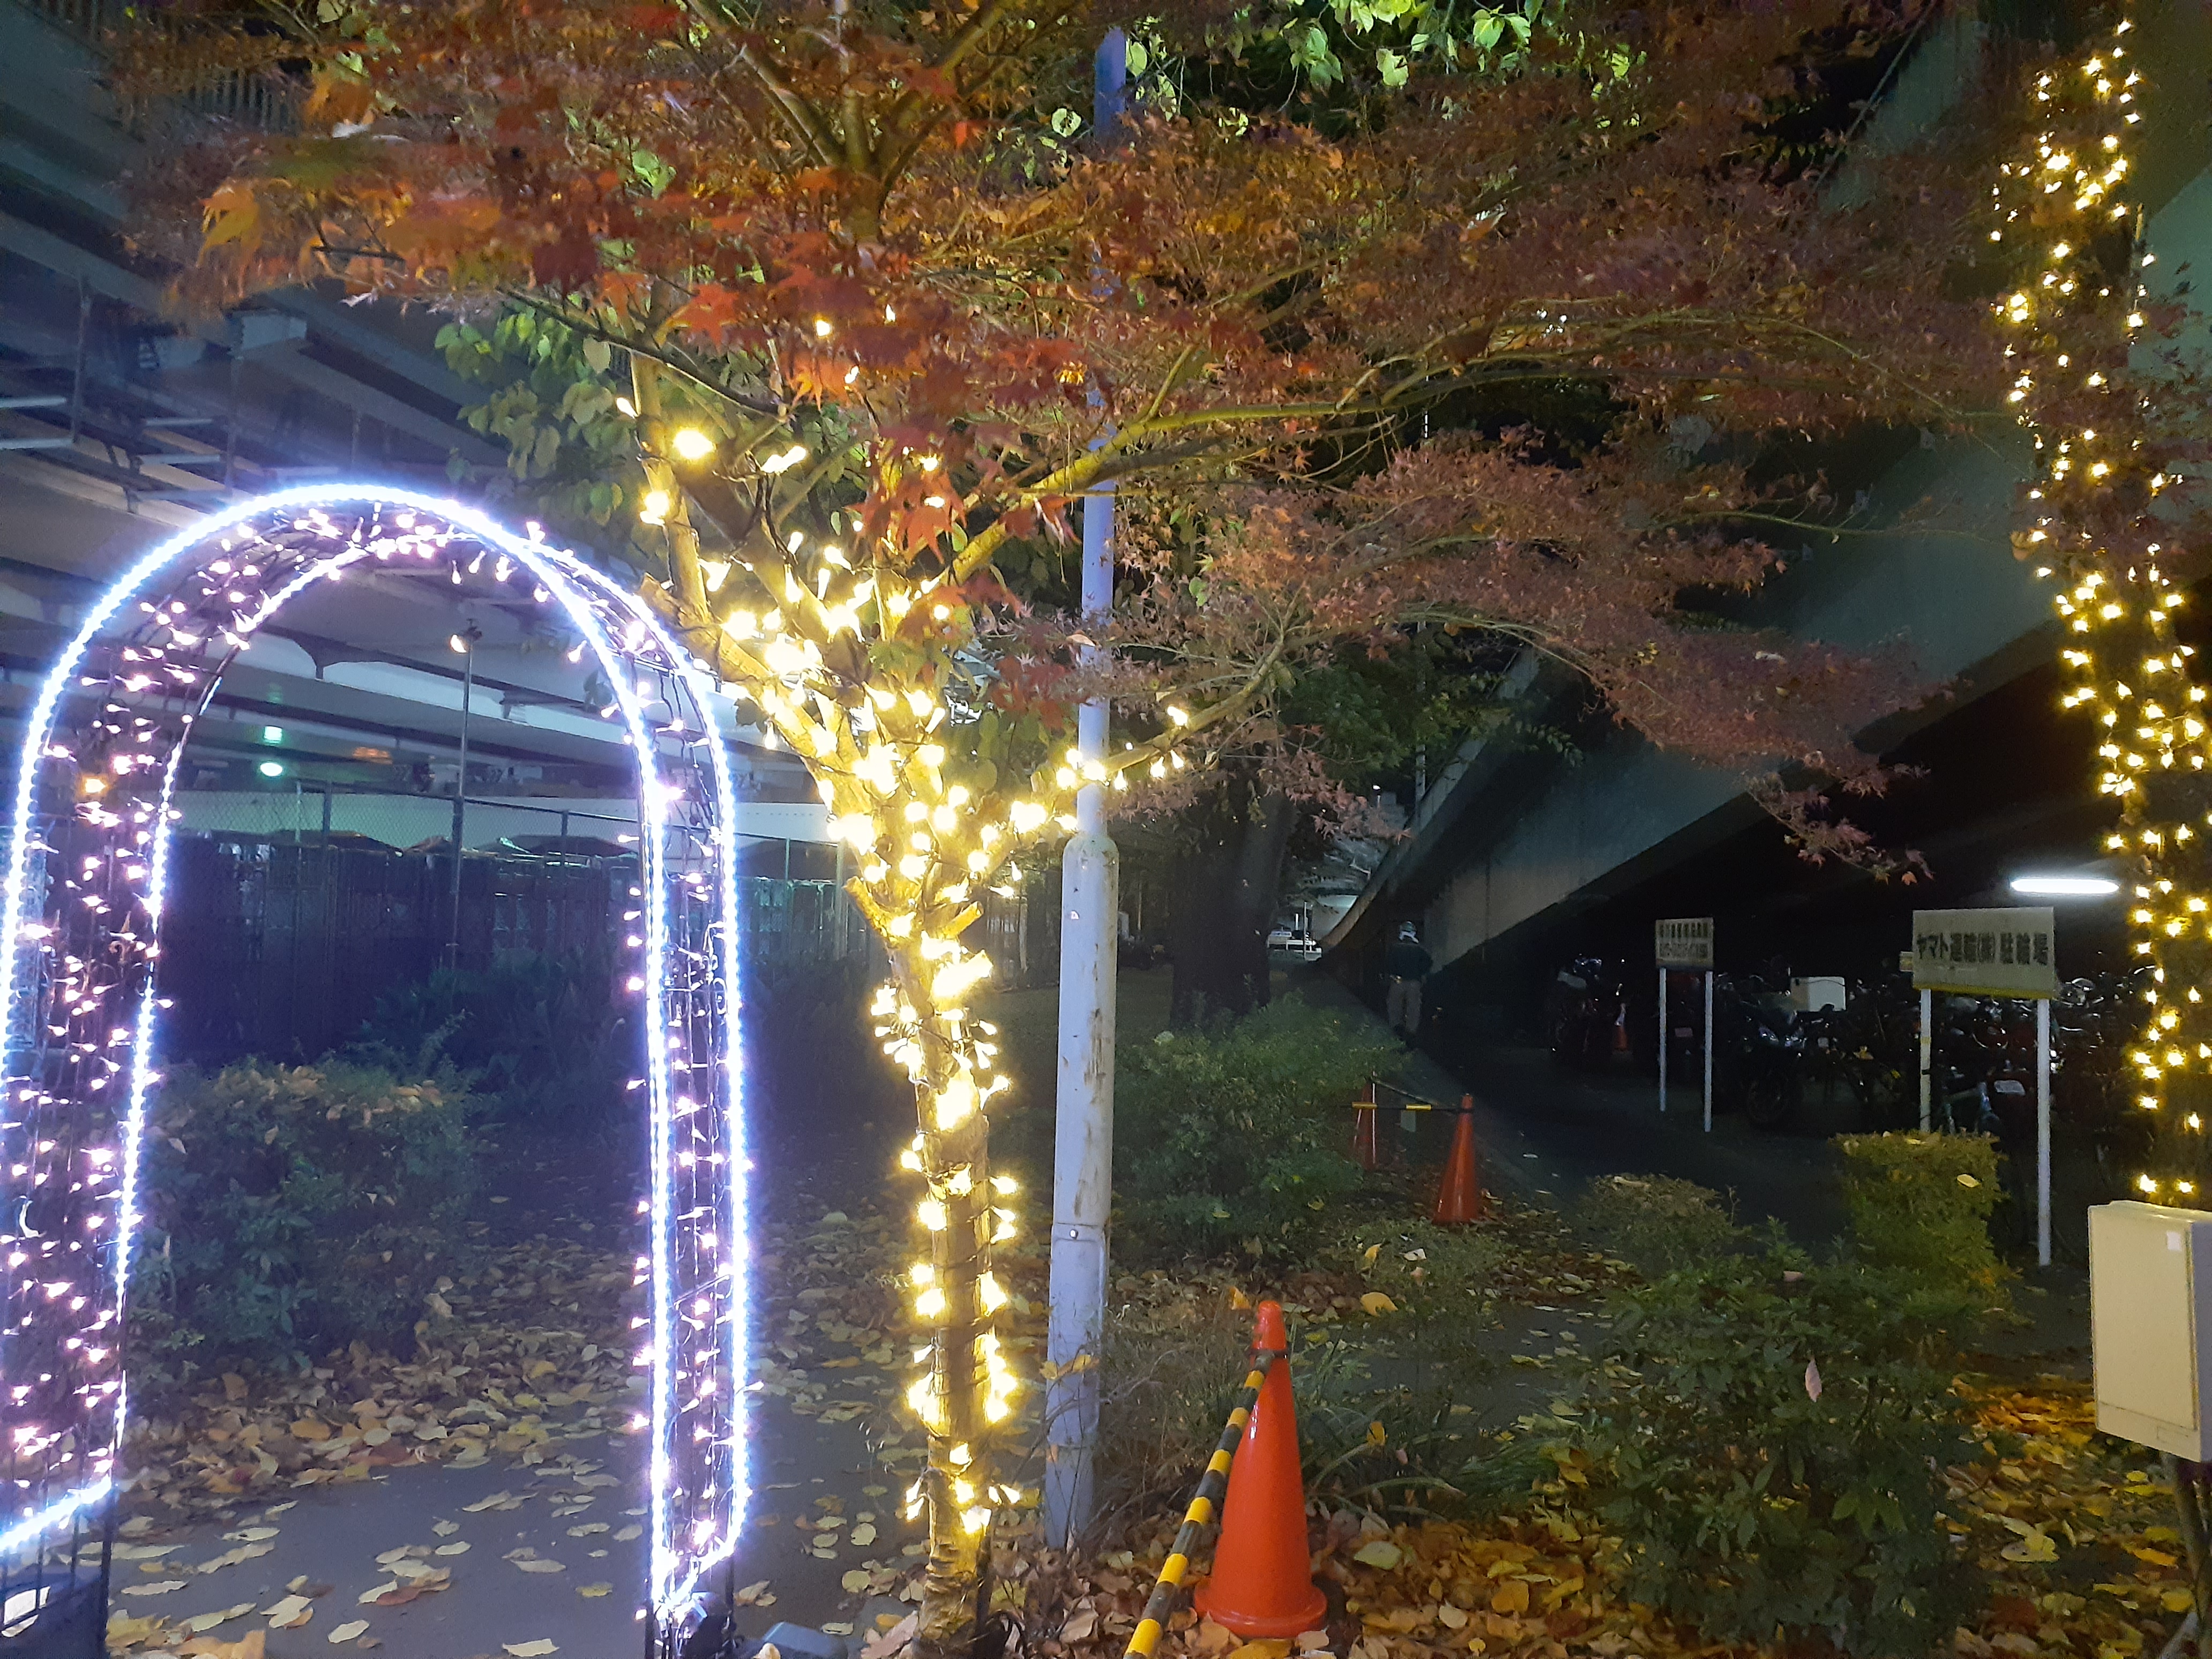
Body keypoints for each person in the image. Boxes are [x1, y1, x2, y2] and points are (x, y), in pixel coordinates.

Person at [1384, 922, 1432, 1037]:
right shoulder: (1420, 949)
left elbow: (1388, 964)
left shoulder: (1395, 948)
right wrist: (1419, 973)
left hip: (1398, 981)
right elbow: (1428, 963)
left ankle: (1397, 1029)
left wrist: (1393, 974)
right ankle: (1411, 1032)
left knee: (1395, 1005)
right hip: (1414, 982)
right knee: (1414, 1008)